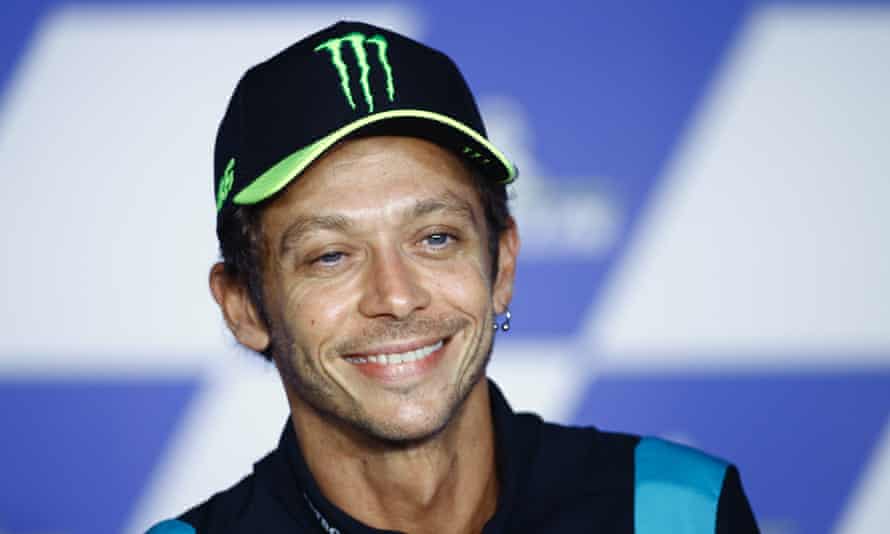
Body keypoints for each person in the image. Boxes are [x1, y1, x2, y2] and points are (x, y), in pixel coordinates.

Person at [147, 20, 758, 534]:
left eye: (435, 238)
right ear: (243, 307)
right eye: (331, 255)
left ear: (502, 265)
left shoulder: (676, 513)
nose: (396, 296)